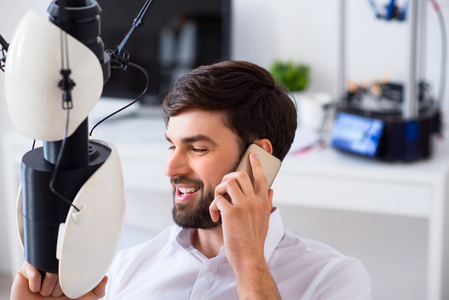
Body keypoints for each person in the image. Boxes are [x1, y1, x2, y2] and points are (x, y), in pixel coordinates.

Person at [11, 60, 372, 299]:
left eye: (197, 148)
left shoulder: (333, 280)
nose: (171, 169)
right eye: (171, 146)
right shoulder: (127, 268)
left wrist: (248, 262)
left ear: (257, 159)